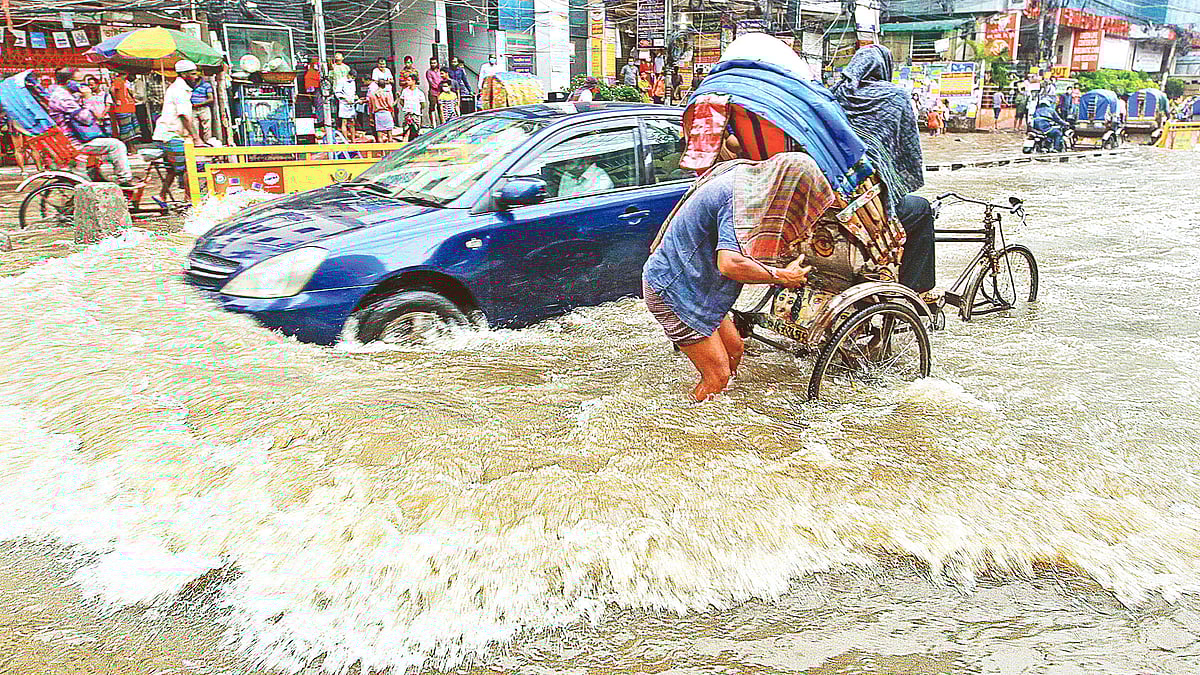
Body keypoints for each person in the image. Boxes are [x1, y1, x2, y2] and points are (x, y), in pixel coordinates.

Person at [642, 148, 823, 402]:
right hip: (673, 290)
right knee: (717, 376)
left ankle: (722, 406)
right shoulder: (741, 198)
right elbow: (729, 263)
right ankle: (692, 427)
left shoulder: (748, 177)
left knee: (735, 349)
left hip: (696, 285)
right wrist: (781, 276)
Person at [830, 44, 935, 294]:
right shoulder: (894, 97)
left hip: (829, 198)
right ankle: (915, 290)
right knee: (921, 210)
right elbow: (908, 151)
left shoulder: (833, 95)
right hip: (867, 207)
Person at [44, 67, 134, 187]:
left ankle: (97, 177)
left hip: (75, 137)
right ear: (69, 82)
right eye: (79, 82)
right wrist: (87, 98)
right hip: (73, 142)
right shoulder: (63, 97)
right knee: (116, 145)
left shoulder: (65, 94)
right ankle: (125, 179)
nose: (83, 85)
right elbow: (86, 119)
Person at [152, 59, 205, 200]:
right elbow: (183, 116)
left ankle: (162, 195)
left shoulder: (181, 89)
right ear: (184, 75)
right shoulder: (179, 90)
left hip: (168, 134)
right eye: (193, 74)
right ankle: (191, 200)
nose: (196, 77)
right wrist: (197, 138)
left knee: (173, 169)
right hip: (170, 135)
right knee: (189, 167)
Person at [109, 73, 138, 142]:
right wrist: (116, 100)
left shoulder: (125, 82)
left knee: (132, 130)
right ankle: (130, 148)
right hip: (123, 108)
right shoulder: (119, 80)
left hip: (129, 108)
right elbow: (112, 89)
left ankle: (132, 148)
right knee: (127, 131)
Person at [190, 71, 215, 144]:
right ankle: (197, 143)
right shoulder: (189, 85)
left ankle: (208, 142)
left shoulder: (206, 85)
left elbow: (211, 99)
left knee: (207, 127)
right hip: (192, 108)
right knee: (194, 127)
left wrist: (199, 104)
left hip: (203, 108)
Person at [399, 75, 426, 141]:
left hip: (416, 114)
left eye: (409, 80)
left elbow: (423, 104)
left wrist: (417, 109)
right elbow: (401, 101)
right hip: (407, 114)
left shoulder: (419, 92)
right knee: (406, 130)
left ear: (414, 81)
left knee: (415, 131)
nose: (407, 82)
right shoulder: (405, 91)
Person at [368, 78, 395, 142]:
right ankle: (390, 150)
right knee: (389, 134)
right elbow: (390, 106)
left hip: (378, 114)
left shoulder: (372, 94)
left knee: (379, 135)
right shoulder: (387, 93)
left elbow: (370, 107)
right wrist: (393, 113)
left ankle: (382, 151)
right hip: (386, 113)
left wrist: (371, 117)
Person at [335, 69, 358, 138]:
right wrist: (346, 98)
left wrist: (354, 97)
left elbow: (353, 92)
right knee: (344, 122)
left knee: (352, 122)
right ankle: (346, 139)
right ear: (349, 75)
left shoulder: (353, 82)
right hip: (344, 104)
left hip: (351, 104)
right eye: (352, 77)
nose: (353, 79)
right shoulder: (341, 81)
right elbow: (337, 93)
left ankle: (353, 139)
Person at [425, 57, 444, 125]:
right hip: (433, 92)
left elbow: (443, 79)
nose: (433, 64)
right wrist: (439, 87)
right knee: (432, 107)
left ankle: (442, 123)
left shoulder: (440, 71)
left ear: (437, 63)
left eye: (434, 63)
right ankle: (433, 123)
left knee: (441, 107)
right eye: (431, 63)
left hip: (441, 92)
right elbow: (431, 83)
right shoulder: (429, 72)